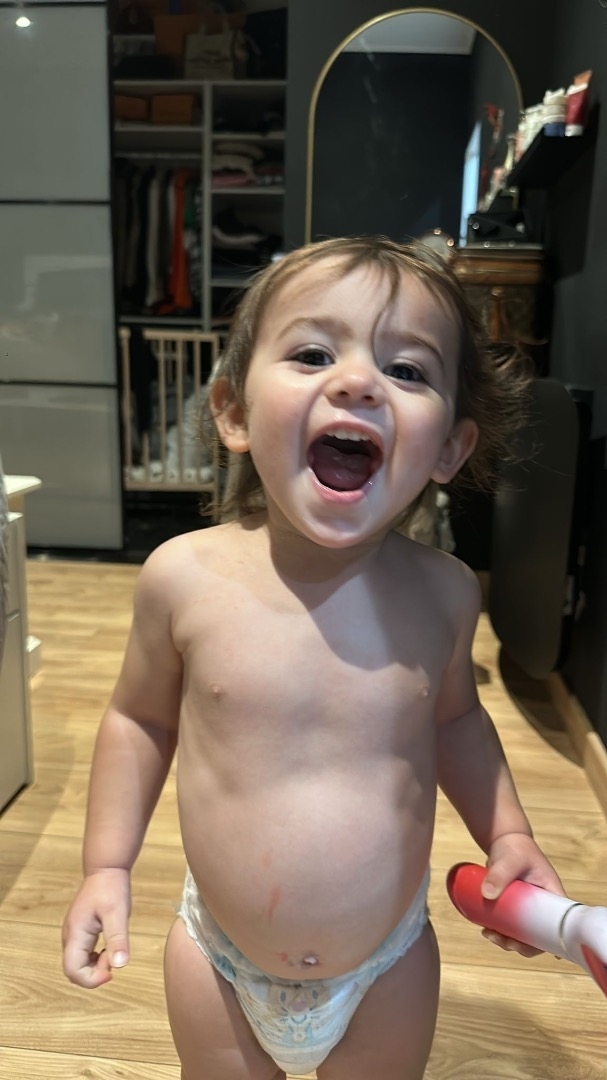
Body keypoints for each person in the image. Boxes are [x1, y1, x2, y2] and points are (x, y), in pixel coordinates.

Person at [62, 236, 563, 1080]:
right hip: (218, 961)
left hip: (387, 963)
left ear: (449, 448)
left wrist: (507, 832)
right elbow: (138, 720)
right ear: (232, 412)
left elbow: (454, 721)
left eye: (406, 370)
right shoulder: (183, 578)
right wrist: (105, 866)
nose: (360, 382)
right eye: (313, 354)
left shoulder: (443, 593)